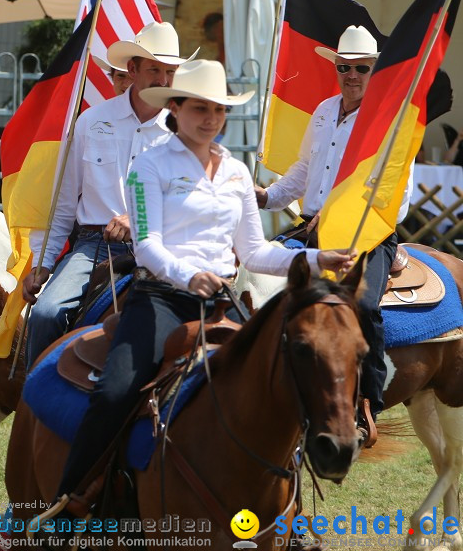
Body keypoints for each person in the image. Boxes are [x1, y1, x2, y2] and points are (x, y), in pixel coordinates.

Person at [53, 60, 354, 508]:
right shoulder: (147, 167)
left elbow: (254, 252)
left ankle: (288, 510)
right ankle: (69, 500)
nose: (210, 118)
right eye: (199, 108)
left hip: (224, 301)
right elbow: (146, 245)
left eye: (218, 109)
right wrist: (187, 274)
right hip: (160, 299)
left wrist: (314, 258)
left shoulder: (235, 173)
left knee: (284, 384)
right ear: (175, 108)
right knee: (115, 391)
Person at [254, 25, 403, 446]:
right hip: (312, 226)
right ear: (335, 68)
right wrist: (267, 197)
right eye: (344, 66)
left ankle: (367, 404)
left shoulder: (386, 120)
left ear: (374, 71)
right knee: (260, 287)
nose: (351, 74)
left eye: (360, 68)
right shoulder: (322, 111)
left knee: (365, 307)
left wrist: (337, 217)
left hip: (365, 232)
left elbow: (397, 196)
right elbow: (304, 169)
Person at [21, 22, 197, 367]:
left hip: (164, 244)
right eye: (154, 70)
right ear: (132, 69)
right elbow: (64, 200)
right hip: (94, 246)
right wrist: (43, 263)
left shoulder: (186, 129)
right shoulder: (91, 121)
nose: (163, 80)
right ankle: (35, 402)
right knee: (45, 314)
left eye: (170, 71)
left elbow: (189, 201)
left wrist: (138, 218)